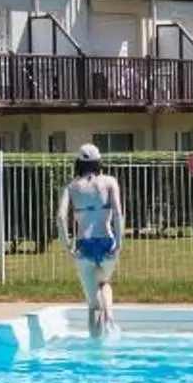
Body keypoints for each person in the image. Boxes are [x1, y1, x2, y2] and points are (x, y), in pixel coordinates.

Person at [58, 142, 125, 338]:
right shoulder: (110, 182)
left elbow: (61, 217)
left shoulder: (71, 187)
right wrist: (119, 241)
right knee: (104, 282)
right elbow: (119, 213)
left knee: (92, 305)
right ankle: (110, 314)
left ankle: (95, 348)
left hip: (83, 245)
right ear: (98, 162)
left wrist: (67, 245)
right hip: (106, 242)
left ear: (78, 163)